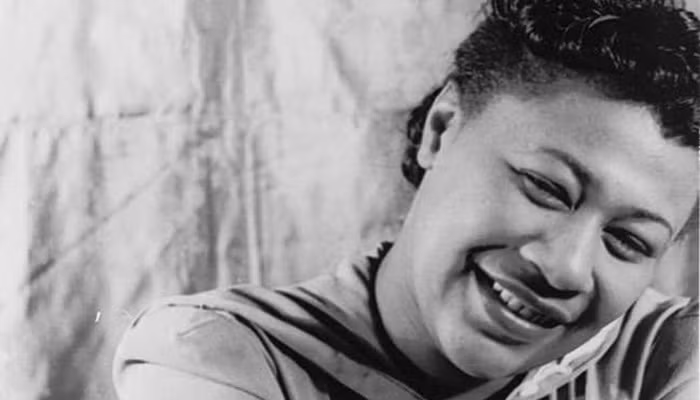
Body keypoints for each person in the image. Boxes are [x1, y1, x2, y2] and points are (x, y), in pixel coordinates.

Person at [112, 0, 699, 399]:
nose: (566, 267)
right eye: (546, 188)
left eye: (629, 241)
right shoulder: (209, 355)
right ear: (442, 129)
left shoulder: (672, 356)